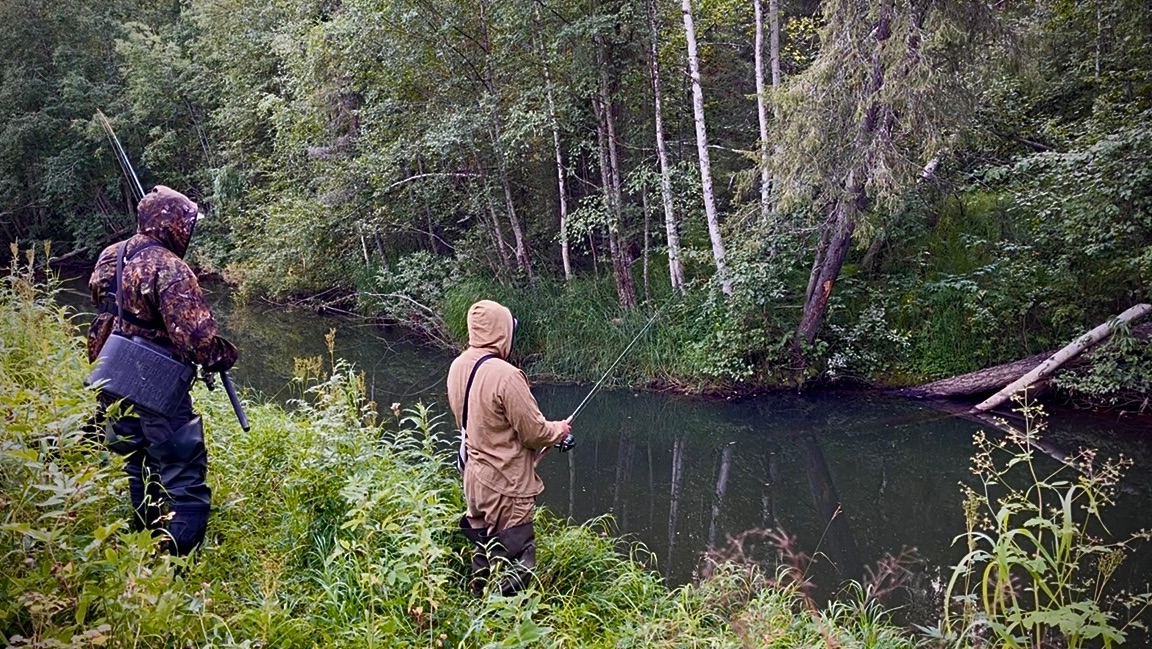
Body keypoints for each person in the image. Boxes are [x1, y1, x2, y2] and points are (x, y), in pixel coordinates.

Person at [87, 185, 238, 556]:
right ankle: (177, 563)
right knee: (184, 477)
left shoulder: (111, 254)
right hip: (155, 383)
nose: (188, 230)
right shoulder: (170, 267)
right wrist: (223, 354)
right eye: (186, 223)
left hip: (113, 374)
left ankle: (144, 549)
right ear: (172, 224)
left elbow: (103, 301)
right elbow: (197, 339)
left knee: (139, 465)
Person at [447, 300, 572, 595]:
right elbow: (534, 433)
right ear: (501, 331)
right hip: (506, 485)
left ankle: (478, 603)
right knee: (516, 559)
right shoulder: (507, 376)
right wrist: (560, 430)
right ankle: (506, 616)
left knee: (482, 548)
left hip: (474, 479)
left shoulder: (458, 366)